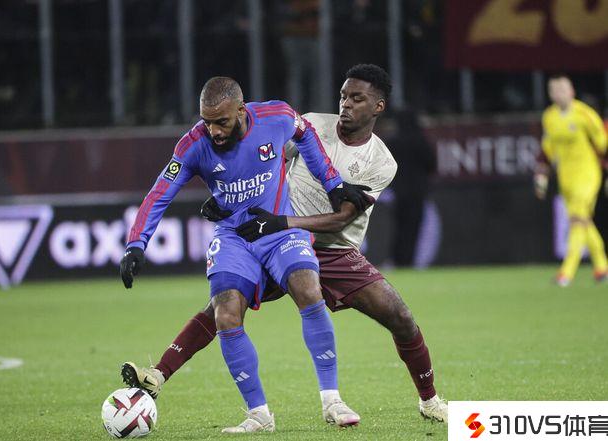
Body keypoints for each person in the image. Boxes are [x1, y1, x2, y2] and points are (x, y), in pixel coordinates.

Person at [125, 65, 448, 424]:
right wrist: (232, 203)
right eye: (343, 95)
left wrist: (281, 220)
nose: (345, 104)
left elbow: (341, 218)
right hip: (278, 239)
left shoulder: (382, 162)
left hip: (333, 248)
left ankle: (430, 400)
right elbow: (263, 159)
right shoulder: (312, 124)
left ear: (378, 106)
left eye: (357, 99)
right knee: (223, 308)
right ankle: (159, 375)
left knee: (400, 317)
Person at [534, 74, 608, 287]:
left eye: (562, 90)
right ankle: (602, 267)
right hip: (565, 177)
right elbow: (547, 150)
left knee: (577, 219)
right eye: (554, 91)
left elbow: (603, 145)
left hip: (587, 174)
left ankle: (566, 273)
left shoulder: (585, 115)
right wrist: (541, 176)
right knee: (584, 221)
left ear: (571, 92)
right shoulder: (549, 117)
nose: (558, 94)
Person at [388, 109, 436, 266]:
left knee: (400, 228)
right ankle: (408, 261)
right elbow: (431, 164)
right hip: (417, 193)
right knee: (413, 228)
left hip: (398, 194)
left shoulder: (393, 142)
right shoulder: (420, 141)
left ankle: (399, 261)